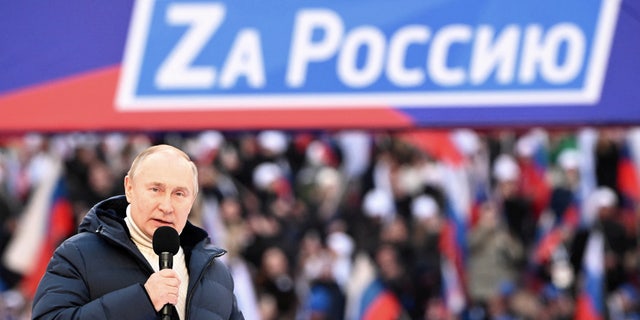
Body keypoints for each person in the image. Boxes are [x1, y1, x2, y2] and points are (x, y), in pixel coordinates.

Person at [31, 144, 244, 319]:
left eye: (179, 194)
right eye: (155, 190)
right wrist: (142, 300)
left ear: (192, 201)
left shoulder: (216, 272)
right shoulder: (78, 254)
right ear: (129, 188)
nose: (167, 206)